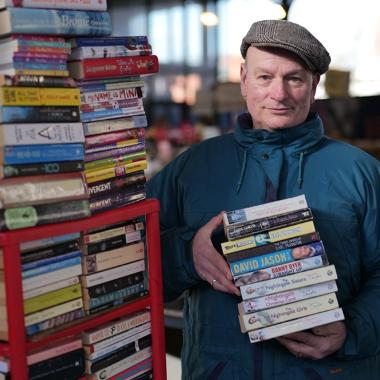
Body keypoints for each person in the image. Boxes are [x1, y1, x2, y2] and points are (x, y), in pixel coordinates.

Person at [147, 19, 380, 380]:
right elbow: (130, 261)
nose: (279, 94)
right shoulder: (192, 168)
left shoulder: (361, 172)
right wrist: (187, 255)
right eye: (264, 77)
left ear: (314, 85)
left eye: (294, 78)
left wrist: (352, 330)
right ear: (243, 79)